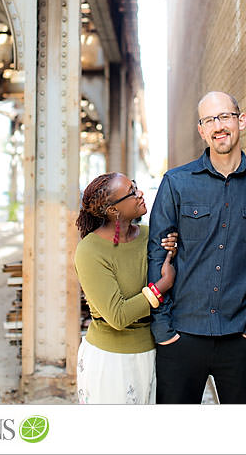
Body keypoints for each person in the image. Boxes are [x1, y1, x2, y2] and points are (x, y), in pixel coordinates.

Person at [147, 91, 246, 403]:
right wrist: (164, 330)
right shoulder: (176, 183)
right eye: (210, 120)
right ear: (201, 130)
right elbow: (157, 254)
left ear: (241, 121)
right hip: (181, 335)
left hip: (240, 338)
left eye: (225, 116)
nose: (218, 126)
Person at [73, 173, 177, 404]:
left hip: (152, 353)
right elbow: (118, 316)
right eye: (132, 192)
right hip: (110, 361)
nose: (140, 193)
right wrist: (161, 287)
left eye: (137, 187)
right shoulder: (90, 251)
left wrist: (173, 250)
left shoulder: (151, 236)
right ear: (113, 211)